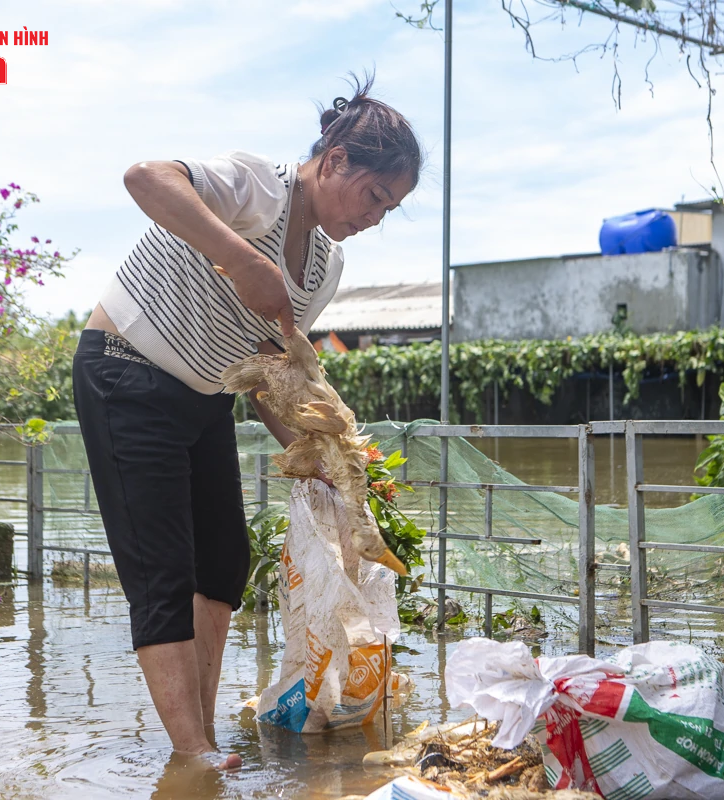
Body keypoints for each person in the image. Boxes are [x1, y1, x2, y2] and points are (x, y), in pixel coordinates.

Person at [71, 74, 423, 770]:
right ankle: (192, 751)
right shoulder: (261, 187)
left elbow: (270, 376)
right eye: (376, 195)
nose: (377, 215)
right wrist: (241, 257)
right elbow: (146, 178)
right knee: (163, 570)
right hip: (124, 371)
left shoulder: (325, 266)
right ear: (336, 159)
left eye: (394, 207)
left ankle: (194, 734)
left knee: (225, 562)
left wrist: (326, 464)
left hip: (206, 396)